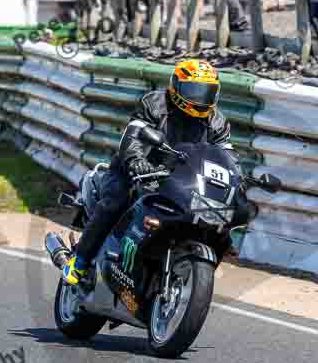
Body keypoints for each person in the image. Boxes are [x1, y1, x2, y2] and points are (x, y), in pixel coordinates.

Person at [63, 60, 236, 285]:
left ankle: (189, 276)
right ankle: (80, 260)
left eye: (207, 92)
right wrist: (136, 161)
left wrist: (238, 180)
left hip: (182, 181)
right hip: (137, 172)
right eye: (194, 91)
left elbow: (228, 158)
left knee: (219, 226)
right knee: (116, 200)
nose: (200, 99)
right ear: (176, 87)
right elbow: (133, 136)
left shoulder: (217, 121)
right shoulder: (155, 104)